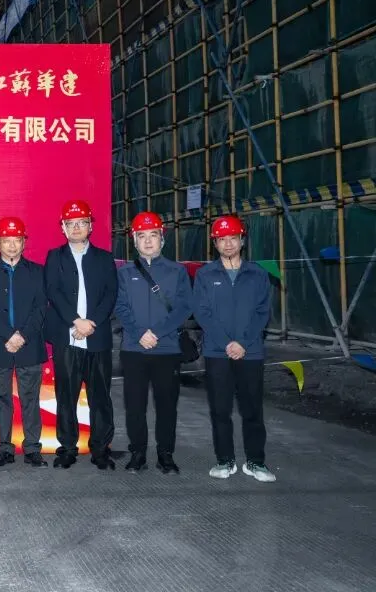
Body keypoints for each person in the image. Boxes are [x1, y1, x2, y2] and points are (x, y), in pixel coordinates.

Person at [192, 214, 276, 483]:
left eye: (233, 238)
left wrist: (243, 342)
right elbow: (202, 312)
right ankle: (225, 460)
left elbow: (262, 312)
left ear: (242, 240)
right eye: (222, 239)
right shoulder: (205, 275)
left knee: (252, 410)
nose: (228, 244)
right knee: (220, 410)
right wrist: (226, 343)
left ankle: (255, 462)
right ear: (214, 243)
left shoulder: (258, 274)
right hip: (217, 352)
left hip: (250, 352)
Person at [114, 211, 192, 474]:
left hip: (166, 349)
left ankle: (165, 454)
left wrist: (156, 333)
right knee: (135, 405)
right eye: (142, 236)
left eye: (153, 235)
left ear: (162, 239)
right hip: (134, 349)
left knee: (167, 405)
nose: (148, 241)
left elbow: (184, 307)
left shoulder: (177, 271)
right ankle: (138, 453)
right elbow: (120, 307)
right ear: (134, 241)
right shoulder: (124, 273)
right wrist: (139, 334)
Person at [44, 199, 119, 470]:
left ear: (91, 226)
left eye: (82, 223)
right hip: (67, 338)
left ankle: (100, 449)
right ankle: (67, 449)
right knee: (66, 397)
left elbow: (111, 294)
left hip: (96, 338)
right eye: (70, 223)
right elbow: (53, 291)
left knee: (101, 397)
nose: (76, 228)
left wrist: (91, 323)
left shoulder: (104, 258)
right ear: (63, 228)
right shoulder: (55, 257)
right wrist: (76, 321)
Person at [0, 217, 49, 470]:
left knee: (30, 399)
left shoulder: (37, 272)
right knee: (1, 399)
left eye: (16, 240)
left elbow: (41, 307)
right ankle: (4, 449)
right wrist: (9, 335)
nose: (11, 245)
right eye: (6, 240)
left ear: (24, 242)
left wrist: (22, 336)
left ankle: (32, 449)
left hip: (29, 346)